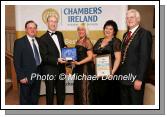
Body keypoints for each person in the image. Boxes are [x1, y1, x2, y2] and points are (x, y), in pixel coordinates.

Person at [120, 9, 152, 105]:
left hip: (135, 80)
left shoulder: (144, 34)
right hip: (123, 79)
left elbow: (144, 58)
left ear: (138, 19)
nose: (129, 20)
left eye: (132, 17)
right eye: (127, 18)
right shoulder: (126, 35)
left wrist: (140, 79)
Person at [93, 20, 122, 105]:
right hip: (98, 74)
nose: (108, 30)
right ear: (104, 29)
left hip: (110, 75)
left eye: (110, 29)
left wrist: (112, 72)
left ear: (114, 31)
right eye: (106, 28)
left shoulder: (116, 41)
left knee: (108, 98)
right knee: (98, 96)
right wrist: (94, 60)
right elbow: (95, 54)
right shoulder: (99, 40)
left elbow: (118, 59)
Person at [39, 15, 66, 105]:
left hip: (61, 69)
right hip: (49, 70)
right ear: (47, 23)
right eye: (51, 21)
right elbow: (44, 57)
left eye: (55, 21)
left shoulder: (60, 34)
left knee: (61, 93)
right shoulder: (42, 39)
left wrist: (66, 51)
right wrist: (57, 60)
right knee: (50, 94)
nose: (53, 23)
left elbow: (62, 47)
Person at [13, 20, 41, 105]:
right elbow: (16, 61)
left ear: (36, 30)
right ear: (26, 29)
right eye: (30, 28)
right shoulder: (19, 42)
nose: (32, 30)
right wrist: (21, 76)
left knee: (35, 97)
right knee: (25, 99)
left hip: (38, 74)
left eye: (34, 28)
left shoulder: (39, 41)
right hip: (26, 76)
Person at [72, 23, 94, 105]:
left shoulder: (87, 41)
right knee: (78, 90)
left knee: (84, 91)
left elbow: (90, 57)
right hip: (78, 69)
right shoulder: (78, 41)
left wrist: (79, 63)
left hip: (85, 69)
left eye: (83, 29)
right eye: (79, 29)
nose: (81, 31)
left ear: (86, 31)